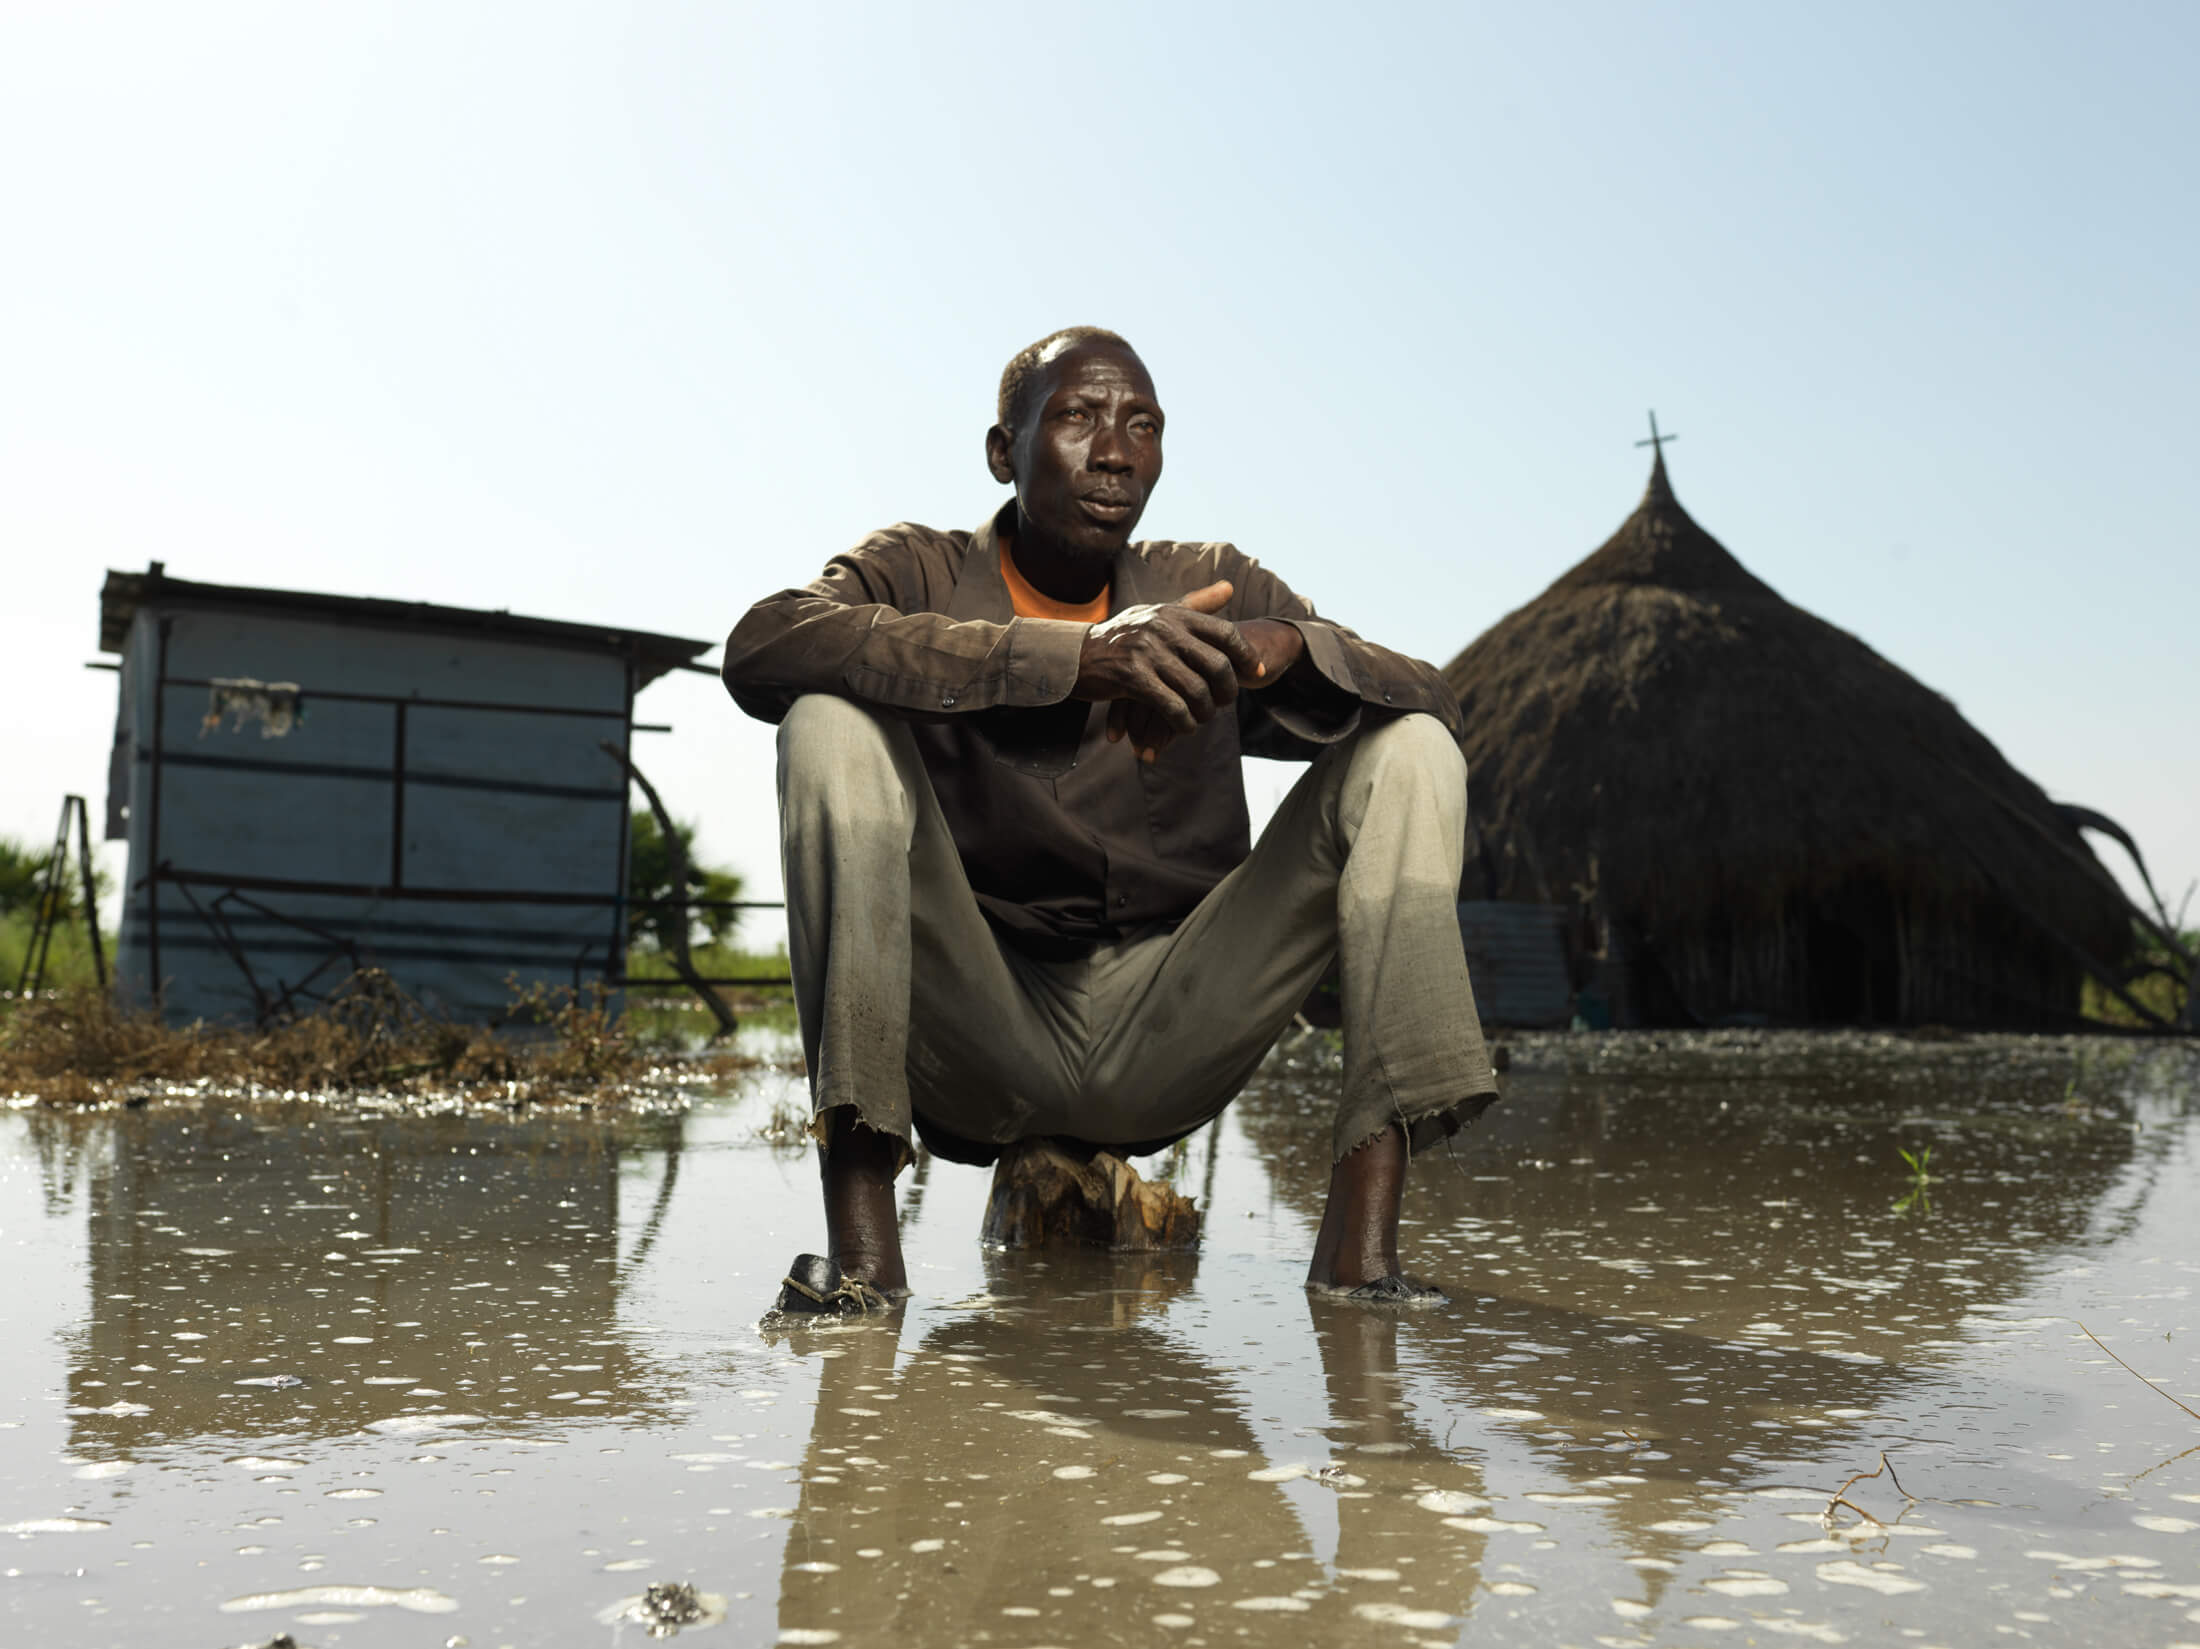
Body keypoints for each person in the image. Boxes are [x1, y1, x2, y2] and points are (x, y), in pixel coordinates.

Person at [722, 325, 1497, 1314]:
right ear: (1005, 452)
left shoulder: (1208, 578)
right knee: (826, 722)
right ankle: (867, 1258)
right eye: (1080, 417)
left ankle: (1359, 1247)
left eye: (1142, 424)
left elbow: (1437, 695)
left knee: (1413, 749)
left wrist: (1284, 648)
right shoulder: (913, 569)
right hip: (975, 1028)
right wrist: (1069, 661)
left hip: (1173, 1023)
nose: (1117, 450)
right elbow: (762, 645)